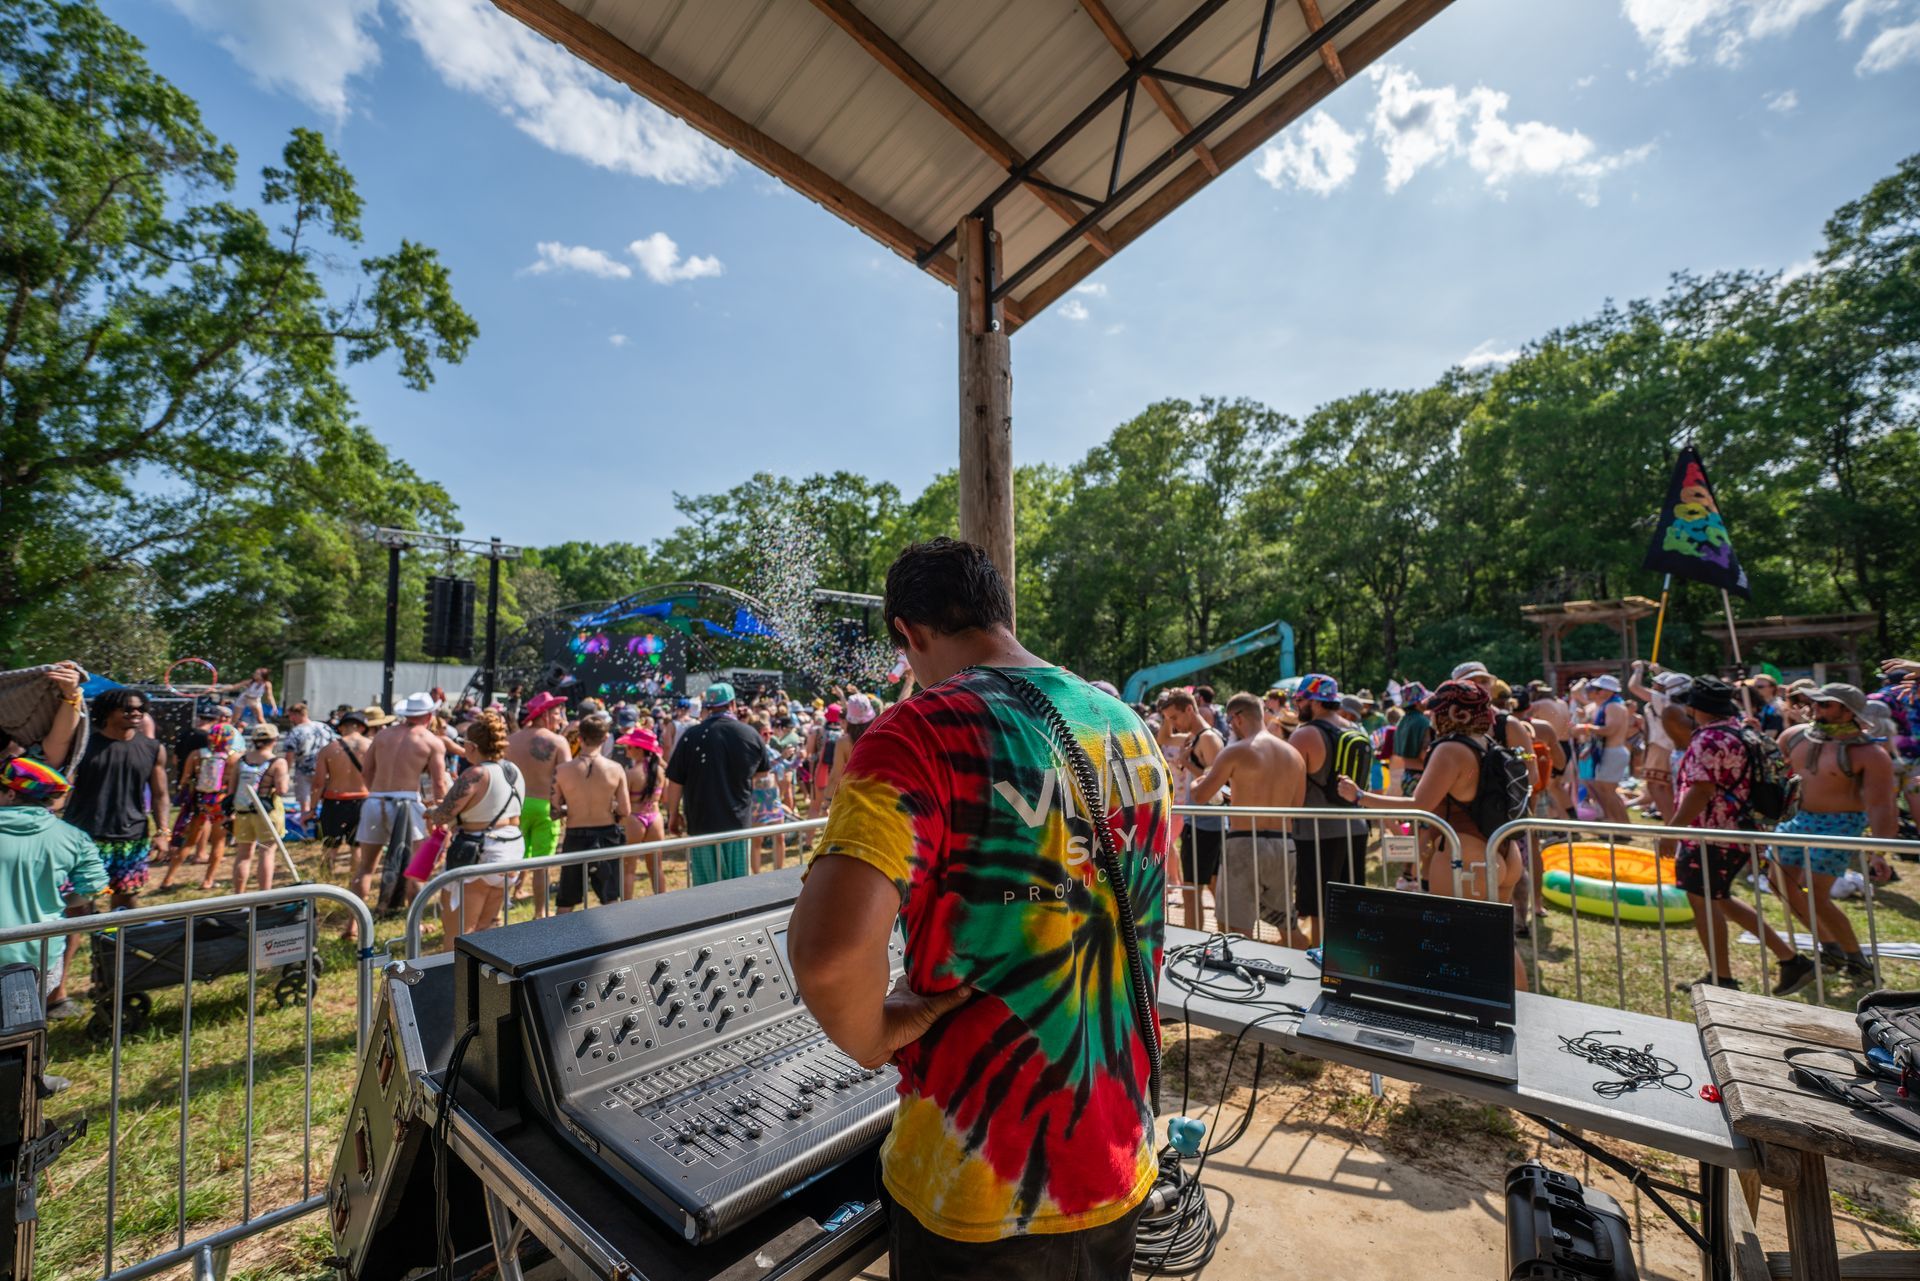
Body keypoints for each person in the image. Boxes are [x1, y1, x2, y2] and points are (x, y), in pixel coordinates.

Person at [788, 538, 1165, 1274]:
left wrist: (873, 1035)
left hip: (982, 1176)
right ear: (1000, 610)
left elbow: (828, 953)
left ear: (909, 633)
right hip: (1118, 1145)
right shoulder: (1127, 725)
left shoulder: (918, 733)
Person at [1339, 679, 1529, 989]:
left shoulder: (1451, 748)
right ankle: (1522, 1015)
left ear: (1453, 713)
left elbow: (1419, 805)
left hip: (1466, 856)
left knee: (1459, 946)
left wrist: (1361, 796)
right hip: (1504, 854)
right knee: (1501, 944)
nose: (1430, 718)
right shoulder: (1488, 743)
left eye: (1435, 711)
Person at [1667, 676, 1813, 996]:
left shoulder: (1708, 739)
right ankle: (1790, 960)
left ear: (1693, 707)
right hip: (1740, 830)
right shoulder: (1743, 730)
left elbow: (1702, 790)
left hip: (1712, 834)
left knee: (1705, 901)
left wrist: (1672, 829)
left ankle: (1723, 977)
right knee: (1720, 899)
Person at [1771, 683, 1899, 981]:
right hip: (1797, 820)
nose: (1817, 708)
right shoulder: (1793, 736)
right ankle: (1830, 947)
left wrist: (1879, 852)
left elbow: (1882, 806)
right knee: (1779, 884)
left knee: (1815, 894)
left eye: (1826, 704)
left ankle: (1858, 961)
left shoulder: (1870, 753)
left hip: (1839, 826)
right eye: (1815, 703)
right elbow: (1773, 769)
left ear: (1847, 711)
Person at [1190, 691, 1306, 944]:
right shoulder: (1294, 755)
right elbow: (1297, 805)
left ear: (1238, 717)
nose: (1231, 728)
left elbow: (1201, 795)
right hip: (1283, 845)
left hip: (1244, 843)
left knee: (1233, 929)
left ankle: (1243, 979)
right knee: (1286, 924)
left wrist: (1196, 781)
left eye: (1230, 723)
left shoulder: (1236, 751)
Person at [0, 759, 106, 1004]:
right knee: (24, 1023)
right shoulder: (74, 837)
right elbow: (94, 887)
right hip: (41, 956)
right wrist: (56, 903)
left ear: (11, 794)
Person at [62, 688, 168, 912]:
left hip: (131, 837)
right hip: (84, 835)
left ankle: (113, 945)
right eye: (128, 709)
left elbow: (160, 794)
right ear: (108, 712)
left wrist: (163, 832)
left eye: (141, 709)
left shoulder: (153, 748)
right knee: (78, 901)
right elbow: (63, 788)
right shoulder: (83, 746)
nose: (136, 713)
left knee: (126, 901)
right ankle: (75, 943)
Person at [350, 692, 451, 923]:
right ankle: (415, 922)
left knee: (365, 867)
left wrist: (377, 792)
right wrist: (441, 815)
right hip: (407, 801)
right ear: (429, 714)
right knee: (415, 866)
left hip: (375, 800)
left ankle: (353, 924)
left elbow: (366, 772)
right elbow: (438, 783)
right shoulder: (431, 741)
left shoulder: (383, 735)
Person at [425, 709, 524, 941]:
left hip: (477, 855)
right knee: (485, 933)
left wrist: (431, 811)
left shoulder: (476, 774)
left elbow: (442, 815)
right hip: (510, 852)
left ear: (472, 746)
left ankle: (453, 977)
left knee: (458, 935)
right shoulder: (514, 770)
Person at [1288, 674, 1372, 947]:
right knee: (1348, 904)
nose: (1296, 705)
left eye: (1299, 700)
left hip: (1317, 831)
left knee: (1318, 910)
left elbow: (1294, 789)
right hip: (1355, 828)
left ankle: (1320, 962)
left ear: (1315, 701)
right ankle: (1346, 960)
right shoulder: (1357, 730)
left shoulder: (1306, 734)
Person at [663, 682, 763, 885]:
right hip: (738, 823)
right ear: (733, 704)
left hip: (702, 824)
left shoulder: (691, 736)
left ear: (707, 707)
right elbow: (763, 774)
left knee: (706, 892)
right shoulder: (750, 734)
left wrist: (672, 815)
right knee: (738, 888)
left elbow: (675, 782)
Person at [1158, 688, 1225, 931]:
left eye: (1175, 717)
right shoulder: (1192, 738)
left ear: (1189, 709)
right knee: (1205, 887)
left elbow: (1221, 785)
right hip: (1201, 821)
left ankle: (1196, 940)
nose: (1172, 724)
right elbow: (1163, 740)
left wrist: (1187, 764)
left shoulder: (1207, 738)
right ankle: (1222, 936)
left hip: (1207, 823)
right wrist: (1167, 714)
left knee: (1193, 889)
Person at [553, 712, 632, 913]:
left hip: (575, 833)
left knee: (566, 898)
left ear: (580, 738)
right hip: (606, 833)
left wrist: (567, 809)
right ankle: (619, 943)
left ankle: (557, 943)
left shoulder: (563, 770)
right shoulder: (615, 768)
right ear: (605, 738)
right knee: (611, 896)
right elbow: (625, 809)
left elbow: (554, 805)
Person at [506, 691, 571, 917]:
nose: (560, 717)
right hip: (546, 808)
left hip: (515, 806)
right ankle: (540, 912)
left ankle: (499, 907)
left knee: (511, 859)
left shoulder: (511, 740)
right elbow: (567, 778)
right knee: (542, 865)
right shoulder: (558, 741)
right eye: (556, 713)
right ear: (544, 715)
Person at [158, 705, 235, 890]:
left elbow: (185, 779)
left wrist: (186, 794)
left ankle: (168, 879)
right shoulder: (233, 758)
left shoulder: (197, 755)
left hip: (201, 800)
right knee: (219, 841)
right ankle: (208, 880)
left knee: (190, 839)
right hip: (220, 801)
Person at [227, 723, 289, 894]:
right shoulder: (278, 762)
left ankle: (238, 895)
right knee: (267, 853)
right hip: (267, 812)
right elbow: (283, 790)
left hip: (243, 811)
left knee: (243, 855)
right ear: (274, 740)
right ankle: (265, 895)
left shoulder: (242, 760)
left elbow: (231, 790)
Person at [311, 708, 377, 860]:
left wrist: (312, 808)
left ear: (341, 727)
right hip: (363, 800)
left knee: (329, 846)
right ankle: (355, 882)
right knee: (357, 846)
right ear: (362, 727)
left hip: (335, 801)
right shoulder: (372, 747)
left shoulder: (328, 750)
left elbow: (318, 783)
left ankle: (326, 880)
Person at [1575, 675, 1634, 824]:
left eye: (1596, 689)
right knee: (1605, 791)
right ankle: (1616, 823)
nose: (1593, 691)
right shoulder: (1609, 705)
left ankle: (1623, 826)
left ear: (1607, 691)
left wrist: (1585, 728)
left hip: (1614, 752)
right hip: (1610, 752)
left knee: (1609, 792)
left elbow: (1609, 730)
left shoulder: (1613, 706)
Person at [617, 726, 667, 895]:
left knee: (629, 869)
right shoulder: (660, 772)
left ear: (640, 749)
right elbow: (664, 799)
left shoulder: (630, 773)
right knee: (656, 868)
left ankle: (625, 910)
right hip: (655, 817)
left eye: (630, 746)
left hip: (635, 819)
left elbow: (622, 803)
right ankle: (662, 906)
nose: (627, 749)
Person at [279, 702, 334, 819]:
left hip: (304, 771)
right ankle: (324, 825)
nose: (290, 719)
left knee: (305, 802)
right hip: (325, 770)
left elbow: (290, 755)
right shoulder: (324, 727)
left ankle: (306, 826)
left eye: (291, 716)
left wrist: (285, 773)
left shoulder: (296, 731)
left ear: (296, 715)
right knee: (325, 799)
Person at [1391, 683, 1432, 795]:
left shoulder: (1402, 721)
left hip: (1406, 775)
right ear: (1418, 703)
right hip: (1420, 776)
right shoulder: (1424, 721)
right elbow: (1425, 753)